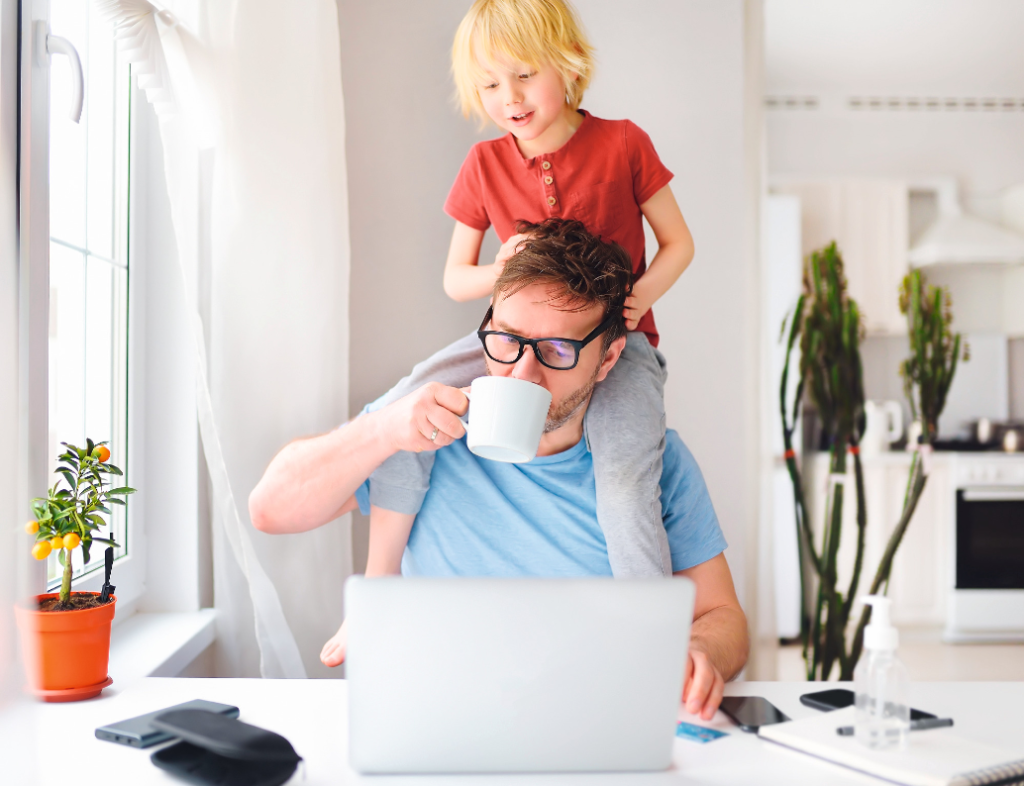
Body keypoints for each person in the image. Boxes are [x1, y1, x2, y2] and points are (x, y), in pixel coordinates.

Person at [249, 220, 747, 720]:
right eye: (507, 341)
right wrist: (381, 429)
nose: (522, 373)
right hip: (436, 718)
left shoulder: (654, 462)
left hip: (588, 722)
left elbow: (723, 617)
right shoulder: (421, 433)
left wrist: (699, 651)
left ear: (607, 357)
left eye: (557, 350)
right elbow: (269, 508)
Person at [365, 0, 696, 583]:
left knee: (624, 475)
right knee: (405, 416)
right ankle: (376, 588)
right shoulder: (482, 163)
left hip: (618, 345)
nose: (509, 98)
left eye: (524, 76)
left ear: (568, 66)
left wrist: (639, 300)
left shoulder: (623, 143)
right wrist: (503, 269)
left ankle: (649, 628)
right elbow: (455, 279)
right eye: (490, 84)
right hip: (513, 343)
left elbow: (679, 244)